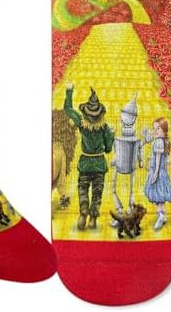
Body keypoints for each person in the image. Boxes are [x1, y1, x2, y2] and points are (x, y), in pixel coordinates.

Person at [63, 84, 115, 230]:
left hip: (85, 163)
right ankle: (93, 219)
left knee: (83, 188)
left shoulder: (81, 123)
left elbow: (68, 109)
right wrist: (111, 135)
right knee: (97, 192)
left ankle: (83, 213)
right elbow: (108, 149)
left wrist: (69, 91)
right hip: (99, 164)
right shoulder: (105, 128)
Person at [143, 117, 171, 230]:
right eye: (154, 128)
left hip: (157, 172)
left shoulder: (158, 142)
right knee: (160, 196)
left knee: (156, 195)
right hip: (162, 172)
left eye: (158, 128)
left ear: (164, 130)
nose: (155, 131)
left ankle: (160, 215)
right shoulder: (164, 141)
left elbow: (158, 159)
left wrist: (156, 173)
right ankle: (163, 215)